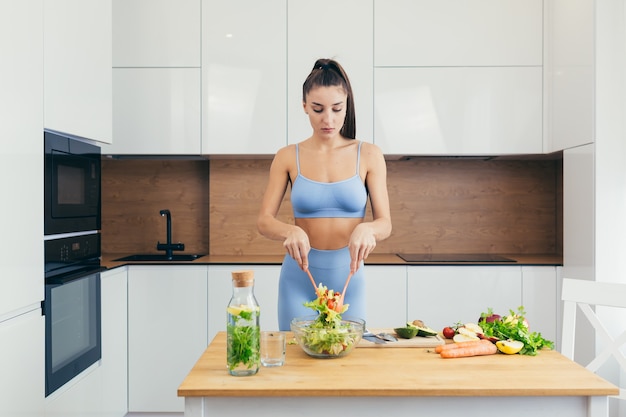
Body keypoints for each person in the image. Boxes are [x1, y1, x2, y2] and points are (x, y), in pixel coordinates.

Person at [257, 58, 392, 330]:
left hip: (349, 281)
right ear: (304, 106)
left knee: (347, 365)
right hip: (299, 279)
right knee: (297, 363)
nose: (327, 119)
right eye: (318, 109)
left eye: (336, 109)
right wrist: (289, 231)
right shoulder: (287, 156)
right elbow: (264, 221)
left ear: (346, 107)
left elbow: (385, 223)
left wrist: (369, 229)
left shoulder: (369, 155)